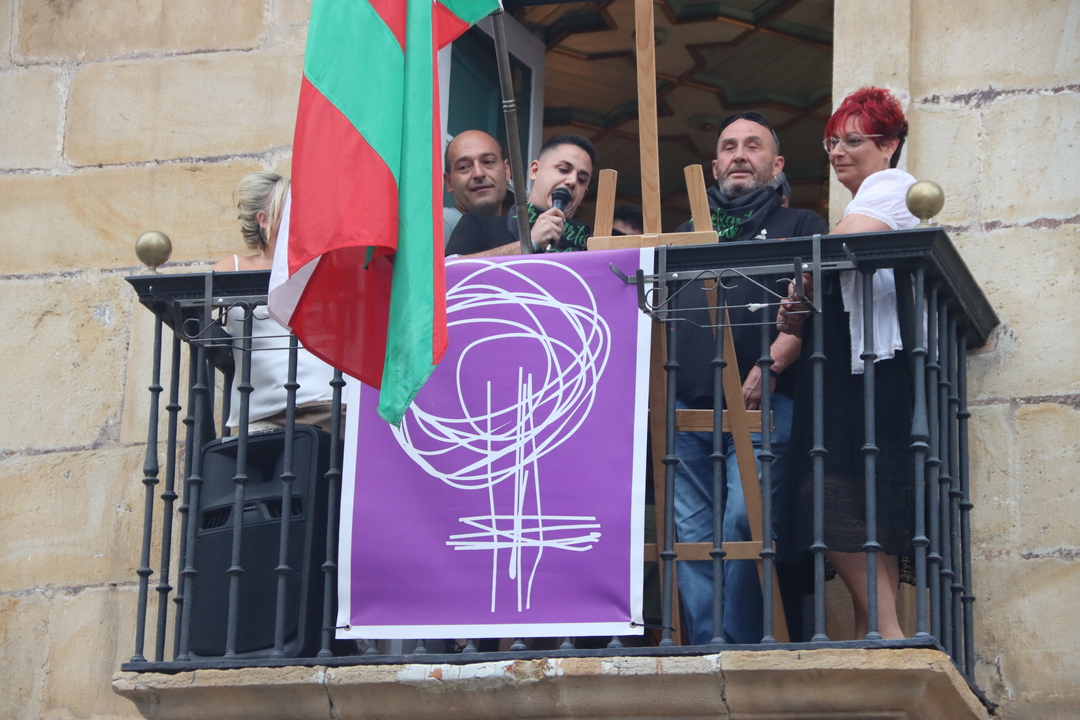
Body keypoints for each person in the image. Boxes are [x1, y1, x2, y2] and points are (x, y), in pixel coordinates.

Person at [671, 112, 829, 645]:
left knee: (745, 522)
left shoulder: (801, 224)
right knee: (692, 536)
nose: (739, 154)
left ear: (776, 164)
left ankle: (735, 649)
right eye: (729, 146)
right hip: (684, 403)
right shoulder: (687, 234)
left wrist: (775, 359)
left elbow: (817, 300)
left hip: (766, 399)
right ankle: (706, 650)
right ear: (715, 165)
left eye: (753, 146)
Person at [777, 87, 918, 640]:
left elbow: (837, 248)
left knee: (824, 489)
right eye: (832, 142)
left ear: (889, 144)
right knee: (864, 498)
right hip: (867, 365)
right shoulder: (866, 200)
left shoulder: (892, 186)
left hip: (868, 370)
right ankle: (874, 633)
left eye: (853, 140)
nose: (837, 152)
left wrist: (801, 287)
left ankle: (885, 631)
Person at [210, 171, 342, 434]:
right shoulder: (234, 266)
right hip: (264, 411)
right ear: (264, 220)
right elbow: (193, 306)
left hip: (332, 403)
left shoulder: (325, 267)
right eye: (293, 210)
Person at [445, 134, 595, 257]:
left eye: (581, 179)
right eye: (563, 170)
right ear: (534, 171)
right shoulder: (479, 225)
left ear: (583, 195)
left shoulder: (590, 248)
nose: (572, 181)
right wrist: (529, 243)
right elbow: (450, 271)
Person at [442, 130, 511, 242]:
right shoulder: (442, 223)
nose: (478, 174)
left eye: (488, 162)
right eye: (464, 167)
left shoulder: (513, 231)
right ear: (449, 182)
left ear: (506, 171)